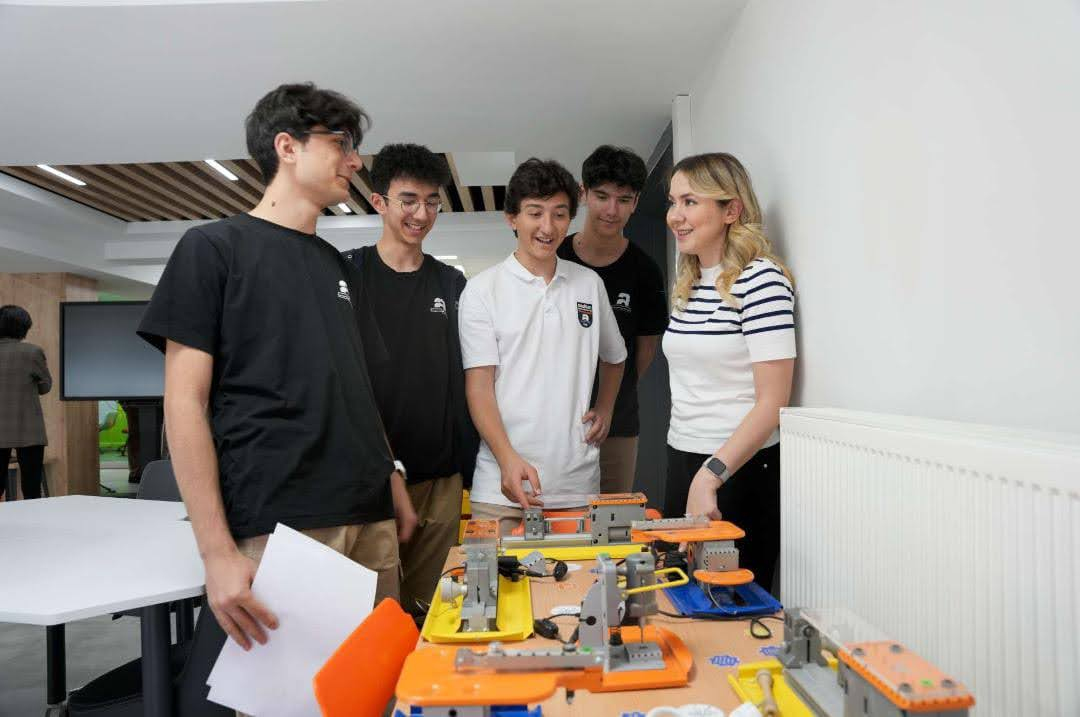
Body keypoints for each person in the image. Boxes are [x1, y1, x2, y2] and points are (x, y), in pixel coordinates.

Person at [137, 83, 418, 656]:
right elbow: (184, 404)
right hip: (283, 521)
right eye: (341, 143)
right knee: (295, 695)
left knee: (377, 684)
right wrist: (217, 552)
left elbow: (358, 389)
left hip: (369, 512)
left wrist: (392, 478)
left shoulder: (337, 266)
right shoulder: (213, 249)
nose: (355, 161)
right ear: (287, 147)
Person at [343, 143, 478, 619]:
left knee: (428, 610)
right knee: (373, 615)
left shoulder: (451, 284)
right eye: (408, 200)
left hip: (439, 477)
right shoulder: (348, 275)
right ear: (379, 202)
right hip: (369, 478)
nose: (421, 214)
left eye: (432, 202)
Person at [459, 158, 627, 532]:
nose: (548, 227)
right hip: (501, 489)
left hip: (577, 487)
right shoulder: (483, 290)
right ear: (512, 218)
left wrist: (605, 407)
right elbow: (479, 388)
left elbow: (615, 357)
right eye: (535, 213)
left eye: (559, 214)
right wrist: (507, 459)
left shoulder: (589, 284)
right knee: (491, 573)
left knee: (584, 574)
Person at [663, 152, 795, 594]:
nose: (675, 216)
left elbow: (773, 402)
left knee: (733, 605)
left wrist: (711, 475)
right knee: (681, 598)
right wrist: (692, 473)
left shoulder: (762, 281)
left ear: (730, 210)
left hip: (737, 470)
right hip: (683, 456)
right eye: (673, 202)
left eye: (689, 202)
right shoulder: (689, 283)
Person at [557, 145, 668, 493]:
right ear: (583, 194)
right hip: (554, 419)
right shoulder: (555, 257)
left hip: (617, 423)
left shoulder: (645, 271)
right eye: (602, 196)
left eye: (623, 200)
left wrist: (610, 394)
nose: (611, 210)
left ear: (636, 203)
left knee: (612, 518)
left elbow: (645, 351)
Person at [0, 305, 51, 500]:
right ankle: (32, 518)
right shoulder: (32, 352)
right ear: (23, 328)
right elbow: (45, 386)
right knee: (31, 487)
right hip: (28, 429)